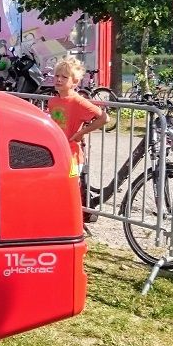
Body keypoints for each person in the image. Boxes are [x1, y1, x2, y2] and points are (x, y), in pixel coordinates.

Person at [46, 56, 108, 222]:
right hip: (56, 153)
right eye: (57, 75)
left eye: (64, 77)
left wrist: (81, 133)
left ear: (74, 82)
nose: (59, 79)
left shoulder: (78, 101)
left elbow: (104, 118)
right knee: (55, 189)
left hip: (72, 155)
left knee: (71, 189)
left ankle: (73, 222)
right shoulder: (53, 101)